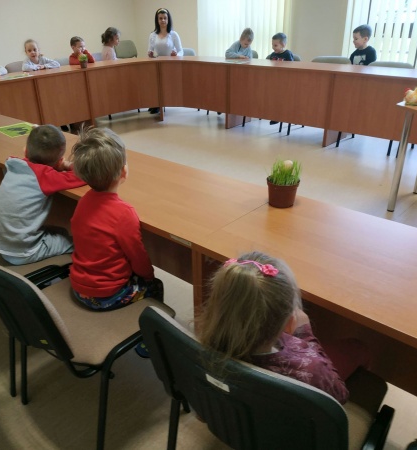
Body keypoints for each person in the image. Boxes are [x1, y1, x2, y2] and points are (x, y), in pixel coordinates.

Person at [197, 251, 371, 404]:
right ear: (288, 325)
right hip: (290, 428)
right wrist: (305, 334)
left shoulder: (203, 346)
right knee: (358, 347)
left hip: (235, 422)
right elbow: (339, 395)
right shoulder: (311, 371)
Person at [69, 126, 163, 312]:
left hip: (79, 287)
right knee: (155, 285)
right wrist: (149, 276)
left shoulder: (83, 201)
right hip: (107, 295)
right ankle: (145, 326)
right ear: (123, 171)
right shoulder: (123, 213)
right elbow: (138, 258)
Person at [0, 125, 86, 265]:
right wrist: (65, 165)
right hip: (24, 251)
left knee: (61, 231)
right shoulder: (45, 177)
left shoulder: (13, 164)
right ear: (59, 160)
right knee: (78, 243)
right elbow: (83, 175)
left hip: (2, 244)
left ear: (25, 151)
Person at [147, 7, 183, 115]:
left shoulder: (173, 34)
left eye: (165, 18)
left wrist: (176, 55)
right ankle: (156, 103)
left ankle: (160, 103)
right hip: (157, 64)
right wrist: (150, 54)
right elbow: (149, 51)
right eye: (160, 18)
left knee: (165, 84)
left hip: (170, 65)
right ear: (157, 20)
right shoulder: (152, 35)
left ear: (168, 19)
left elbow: (181, 51)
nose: (163, 20)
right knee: (154, 82)